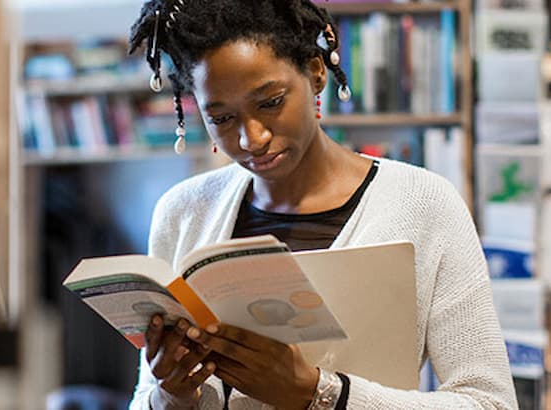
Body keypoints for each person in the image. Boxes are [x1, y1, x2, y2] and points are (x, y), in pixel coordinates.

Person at [125, 1, 517, 409]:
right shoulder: (185, 212)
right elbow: (142, 398)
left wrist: (318, 393)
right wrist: (170, 393)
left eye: (270, 102)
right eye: (222, 119)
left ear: (315, 74)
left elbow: (490, 403)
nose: (251, 139)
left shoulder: (423, 204)